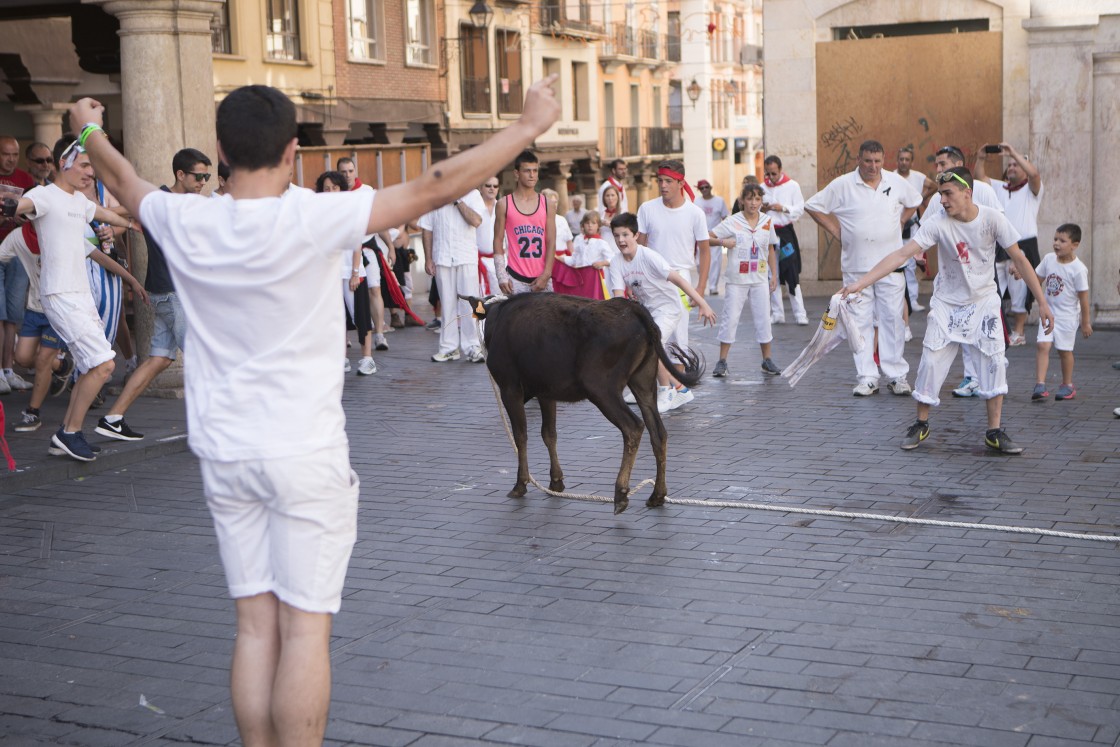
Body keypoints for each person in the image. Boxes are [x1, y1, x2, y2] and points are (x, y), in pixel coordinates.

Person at [69, 74, 559, 746]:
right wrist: (528, 127)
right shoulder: (315, 215)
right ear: (293, 150)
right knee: (303, 627)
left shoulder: (186, 217)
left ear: (221, 148)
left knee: (254, 625)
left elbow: (124, 180)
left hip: (225, 452)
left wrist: (89, 128)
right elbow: (437, 182)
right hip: (305, 452)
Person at [839, 167, 1053, 454]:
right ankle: (920, 423)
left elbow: (1021, 258)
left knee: (994, 362)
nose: (942, 200)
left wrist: (1043, 302)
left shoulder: (992, 219)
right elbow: (901, 255)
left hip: (984, 301)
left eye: (948, 193)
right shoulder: (938, 222)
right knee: (930, 361)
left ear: (968, 193)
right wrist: (859, 284)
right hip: (946, 303)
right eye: (940, 194)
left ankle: (994, 431)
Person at [7, 137, 140, 460]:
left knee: (93, 365)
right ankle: (69, 433)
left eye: (93, 170)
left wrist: (131, 223)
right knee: (104, 365)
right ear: (63, 164)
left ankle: (65, 434)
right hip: (60, 295)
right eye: (84, 166)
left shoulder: (79, 202)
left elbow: (104, 213)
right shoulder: (44, 195)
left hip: (79, 294)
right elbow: (22, 206)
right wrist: (9, 205)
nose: (89, 174)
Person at [95, 149, 212, 441]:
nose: (203, 182)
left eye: (207, 177)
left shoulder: (191, 203)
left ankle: (113, 418)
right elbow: (124, 208)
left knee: (158, 359)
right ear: (180, 174)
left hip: (170, 293)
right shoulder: (158, 199)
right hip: (172, 293)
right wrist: (105, 222)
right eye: (199, 176)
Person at [805, 139, 922, 397]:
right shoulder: (843, 184)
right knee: (860, 323)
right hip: (856, 268)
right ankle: (867, 376)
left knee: (893, 320)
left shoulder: (894, 181)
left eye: (877, 161)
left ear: (884, 161)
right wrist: (835, 229)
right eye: (868, 161)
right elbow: (812, 206)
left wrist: (902, 219)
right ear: (858, 159)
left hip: (891, 265)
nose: (873, 166)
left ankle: (897, 375)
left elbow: (915, 199)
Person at [608, 212, 715, 413]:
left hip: (668, 308)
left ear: (636, 235)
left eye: (625, 235)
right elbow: (618, 297)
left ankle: (665, 390)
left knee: (650, 344)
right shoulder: (616, 262)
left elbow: (679, 280)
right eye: (616, 236)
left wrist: (703, 303)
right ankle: (681, 390)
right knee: (637, 345)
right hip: (645, 312)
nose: (621, 240)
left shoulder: (648, 256)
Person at [922, 145, 1005, 399]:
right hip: (952, 283)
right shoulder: (940, 201)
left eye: (943, 165)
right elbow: (925, 229)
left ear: (958, 165)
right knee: (940, 344)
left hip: (981, 279)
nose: (938, 170)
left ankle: (986, 377)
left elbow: (1000, 230)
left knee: (987, 337)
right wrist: (917, 254)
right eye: (936, 165)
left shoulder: (985, 192)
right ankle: (969, 378)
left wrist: (1011, 264)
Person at [709, 182, 781, 378]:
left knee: (763, 318)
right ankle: (722, 361)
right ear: (742, 200)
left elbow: (771, 248)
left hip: (759, 277)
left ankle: (767, 360)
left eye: (757, 199)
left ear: (761, 201)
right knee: (730, 318)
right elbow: (708, 237)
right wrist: (724, 242)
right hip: (736, 278)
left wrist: (773, 275)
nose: (753, 203)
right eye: (749, 198)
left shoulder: (767, 221)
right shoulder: (733, 221)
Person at [975, 142, 1043, 347]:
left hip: (1023, 245)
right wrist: (980, 157)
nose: (1012, 167)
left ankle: (1019, 332)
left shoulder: (1032, 191)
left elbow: (1035, 175)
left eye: (1017, 165)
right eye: (1010, 165)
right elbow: (980, 179)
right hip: (1001, 244)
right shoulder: (1000, 187)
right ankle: (998, 330)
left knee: (1019, 291)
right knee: (996, 288)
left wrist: (1012, 151)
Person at [315, 171, 376, 375]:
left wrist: (355, 272)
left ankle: (367, 358)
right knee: (337, 318)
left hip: (352, 272)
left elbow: (357, 243)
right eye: (326, 188)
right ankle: (342, 358)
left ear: (341, 188)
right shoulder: (321, 215)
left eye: (334, 187)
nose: (331, 192)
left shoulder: (350, 211)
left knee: (360, 315)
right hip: (333, 274)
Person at [419, 185, 486, 363]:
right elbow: (426, 228)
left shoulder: (473, 194)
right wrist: (428, 258)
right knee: (447, 304)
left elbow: (476, 221)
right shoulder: (433, 196)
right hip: (442, 257)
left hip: (466, 256)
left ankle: (473, 346)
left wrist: (457, 200)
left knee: (471, 304)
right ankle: (449, 348)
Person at [1028, 224, 1090, 401]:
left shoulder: (1078, 269)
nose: (1056, 243)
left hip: (1067, 317)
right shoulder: (1048, 259)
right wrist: (1020, 273)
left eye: (1062, 241)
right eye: (1055, 239)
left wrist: (1085, 322)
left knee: (1064, 351)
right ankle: (1040, 384)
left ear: (1074, 245)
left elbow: (1084, 298)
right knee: (1042, 345)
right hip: (1048, 313)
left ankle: (1067, 385)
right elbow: (1036, 279)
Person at [0, 135, 36, 395]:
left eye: (14, 154)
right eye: (5, 154)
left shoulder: (26, 180)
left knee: (13, 315)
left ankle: (9, 371)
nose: (11, 159)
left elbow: (36, 211)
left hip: (17, 252)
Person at [493, 149, 555, 294]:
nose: (532, 175)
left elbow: (551, 241)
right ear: (516, 173)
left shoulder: (548, 204)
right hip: (515, 279)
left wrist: (546, 274)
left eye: (535, 170)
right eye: (527, 171)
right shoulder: (504, 204)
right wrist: (501, 275)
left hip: (542, 278)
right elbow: (497, 240)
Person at [762, 155, 808, 325]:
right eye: (767, 174)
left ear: (780, 170)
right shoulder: (762, 188)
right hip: (768, 234)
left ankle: (800, 313)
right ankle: (777, 313)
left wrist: (783, 208)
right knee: (771, 274)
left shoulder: (792, 186)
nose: (771, 178)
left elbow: (800, 208)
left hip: (786, 233)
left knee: (791, 272)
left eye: (773, 173)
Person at [893, 146, 935, 313]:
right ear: (897, 160)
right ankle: (898, 300)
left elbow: (934, 186)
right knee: (896, 262)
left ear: (911, 161)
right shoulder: (891, 177)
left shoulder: (918, 177)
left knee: (910, 264)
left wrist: (921, 199)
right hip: (895, 224)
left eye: (907, 159)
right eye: (901, 159)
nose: (903, 162)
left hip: (912, 225)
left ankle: (913, 298)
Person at [553, 211, 613, 299]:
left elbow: (612, 258)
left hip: (595, 281)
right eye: (587, 223)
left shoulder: (602, 243)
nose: (590, 225)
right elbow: (573, 260)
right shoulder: (579, 242)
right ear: (583, 225)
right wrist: (557, 257)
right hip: (581, 280)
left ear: (598, 226)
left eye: (593, 223)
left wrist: (602, 263)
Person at [694, 179, 729, 295]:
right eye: (702, 188)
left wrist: (724, 233)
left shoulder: (719, 201)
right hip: (700, 235)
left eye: (706, 187)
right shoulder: (696, 202)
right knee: (699, 262)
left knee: (714, 261)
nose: (704, 190)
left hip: (714, 235)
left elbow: (725, 218)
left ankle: (713, 286)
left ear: (710, 187)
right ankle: (704, 279)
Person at [477, 176, 501, 294]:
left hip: (501, 260)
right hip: (479, 261)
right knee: (481, 300)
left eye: (495, 186)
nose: (492, 188)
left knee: (501, 298)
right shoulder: (475, 208)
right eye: (488, 185)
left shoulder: (502, 207)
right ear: (480, 188)